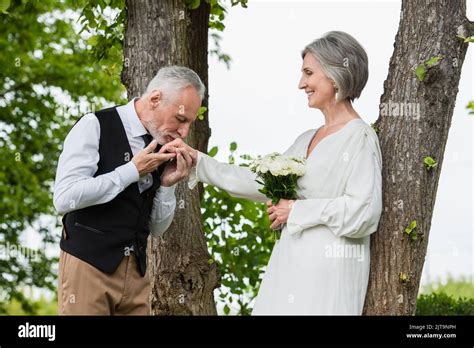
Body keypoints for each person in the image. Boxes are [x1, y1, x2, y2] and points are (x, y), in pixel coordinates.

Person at [164, 31, 383, 314]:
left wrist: (296, 211)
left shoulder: (359, 138)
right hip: (289, 266)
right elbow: (259, 182)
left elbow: (365, 212)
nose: (301, 83)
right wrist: (198, 161)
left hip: (329, 274)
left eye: (308, 73)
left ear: (336, 74)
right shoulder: (305, 139)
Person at [53, 66, 203, 315]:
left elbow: (156, 228)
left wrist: (167, 186)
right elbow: (65, 196)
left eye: (189, 123)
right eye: (181, 119)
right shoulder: (95, 125)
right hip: (89, 265)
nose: (184, 132)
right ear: (155, 99)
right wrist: (132, 171)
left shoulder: (160, 143)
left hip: (137, 275)